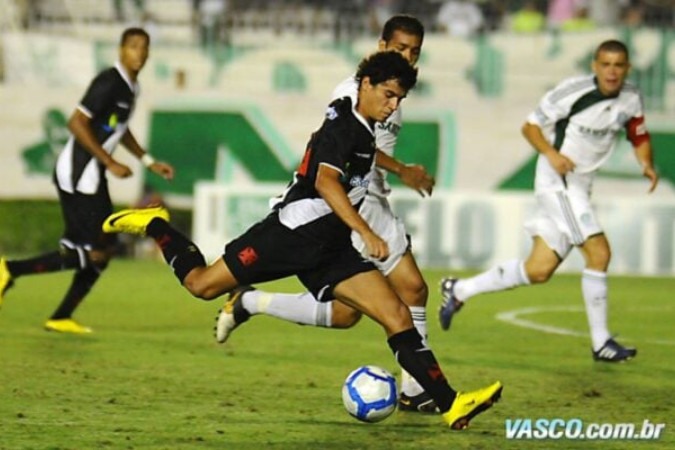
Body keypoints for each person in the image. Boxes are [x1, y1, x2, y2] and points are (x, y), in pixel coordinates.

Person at [103, 51, 503, 430]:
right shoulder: (342, 126)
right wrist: (366, 231)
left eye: (399, 98)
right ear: (365, 84)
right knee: (201, 285)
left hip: (330, 248)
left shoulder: (365, 132)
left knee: (396, 314)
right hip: (290, 234)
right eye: (388, 94)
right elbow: (326, 182)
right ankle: (157, 226)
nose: (393, 105)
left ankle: (451, 404)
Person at [213, 14, 438, 413]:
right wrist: (391, 180)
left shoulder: (392, 93)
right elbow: (337, 146)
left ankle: (249, 303)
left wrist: (400, 169)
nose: (407, 56)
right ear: (382, 45)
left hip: (368, 194)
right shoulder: (355, 91)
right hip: (353, 200)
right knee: (413, 288)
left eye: (414, 52)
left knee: (344, 315)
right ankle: (419, 391)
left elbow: (367, 145)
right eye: (400, 48)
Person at [438, 39, 658, 363]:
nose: (612, 71)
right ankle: (601, 343)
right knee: (599, 253)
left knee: (539, 269)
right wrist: (552, 154)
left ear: (628, 68)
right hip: (558, 182)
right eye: (606, 64)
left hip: (581, 185)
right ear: (594, 66)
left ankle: (459, 290)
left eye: (619, 65)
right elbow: (530, 127)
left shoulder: (631, 97)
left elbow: (638, 134)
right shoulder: (572, 91)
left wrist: (646, 164)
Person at [0, 28, 174, 334]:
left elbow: (121, 130)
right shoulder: (108, 82)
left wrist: (148, 161)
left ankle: (60, 315)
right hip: (79, 174)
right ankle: (9, 270)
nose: (140, 53)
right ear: (121, 49)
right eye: (134, 46)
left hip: (94, 176)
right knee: (96, 252)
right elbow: (76, 122)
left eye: (145, 47)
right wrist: (109, 161)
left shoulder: (132, 88)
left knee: (100, 251)